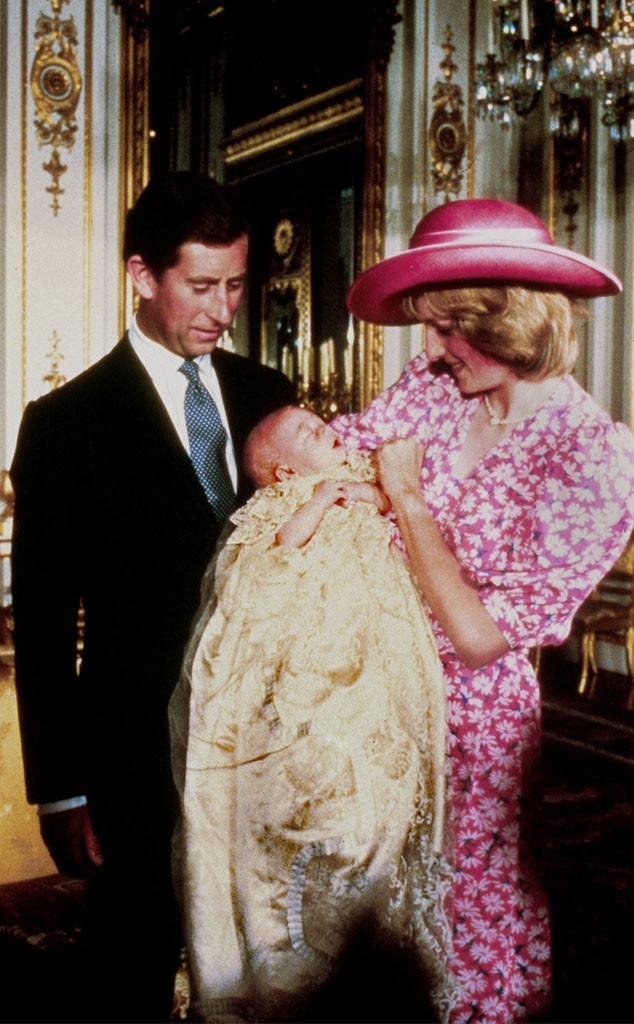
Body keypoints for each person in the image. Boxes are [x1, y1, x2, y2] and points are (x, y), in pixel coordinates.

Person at [331, 197, 634, 1024]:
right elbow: (330, 455)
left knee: (468, 925)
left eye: (446, 329)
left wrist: (405, 497)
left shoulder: (591, 458)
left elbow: (475, 637)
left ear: (508, 321)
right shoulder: (437, 392)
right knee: (368, 919)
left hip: (473, 726)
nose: (428, 349)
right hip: (372, 695)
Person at [9, 171, 296, 1023]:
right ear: (143, 275)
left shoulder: (266, 395)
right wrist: (59, 791)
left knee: (266, 952)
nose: (224, 308)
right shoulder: (65, 424)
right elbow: (46, 623)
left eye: (238, 284)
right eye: (202, 286)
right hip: (134, 754)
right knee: (134, 957)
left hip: (270, 740)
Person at [169, 405, 456, 1024]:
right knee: (314, 759)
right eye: (304, 432)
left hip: (373, 634)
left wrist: (364, 490)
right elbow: (279, 549)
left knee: (382, 763)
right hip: (311, 639)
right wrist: (321, 500)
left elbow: (388, 499)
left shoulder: (354, 470)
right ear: (279, 471)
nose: (324, 426)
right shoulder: (284, 501)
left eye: (317, 419)